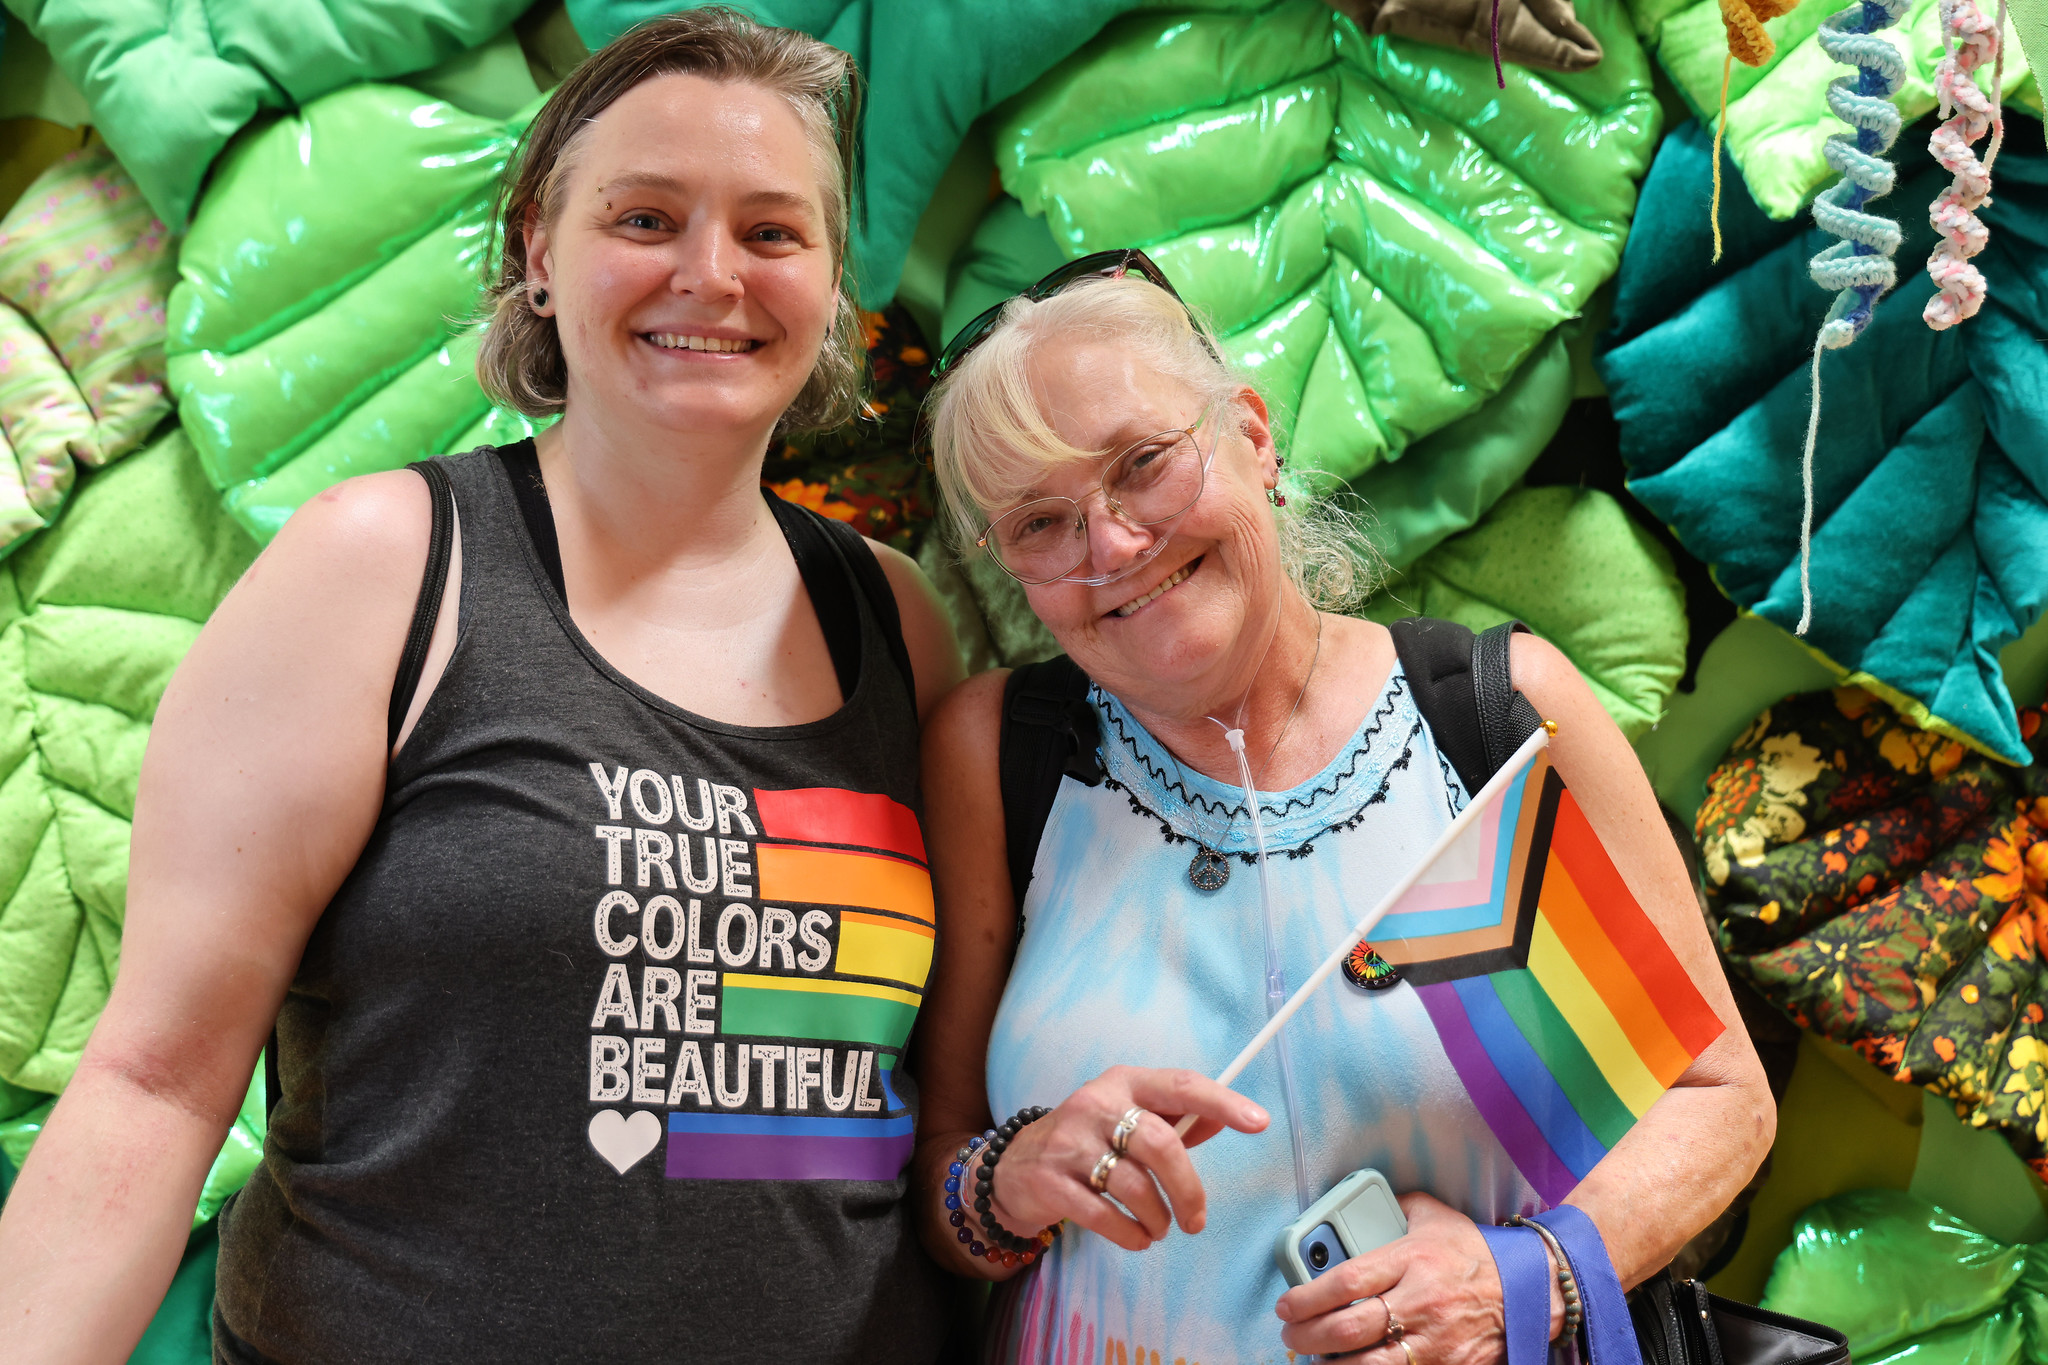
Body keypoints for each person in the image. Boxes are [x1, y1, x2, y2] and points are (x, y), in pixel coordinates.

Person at [0, 10, 965, 1361]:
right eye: (644, 217)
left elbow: (898, 1110)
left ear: (830, 278)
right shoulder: (383, 568)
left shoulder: (899, 623)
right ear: (539, 258)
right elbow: (154, 1088)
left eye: (771, 230)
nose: (710, 272)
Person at [911, 257, 1775, 1363]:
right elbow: (935, 1180)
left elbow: (1718, 1099)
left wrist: (1519, 1282)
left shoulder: (1496, 719)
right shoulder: (999, 756)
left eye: (1142, 464)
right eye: (1039, 522)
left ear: (1254, 438)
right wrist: (1004, 1179)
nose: (1112, 546)